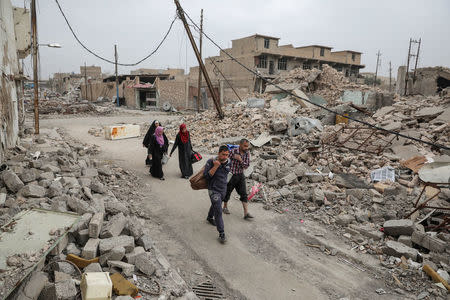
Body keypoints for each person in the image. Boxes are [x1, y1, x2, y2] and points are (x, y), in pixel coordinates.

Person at [204, 145, 230, 243]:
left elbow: (228, 173)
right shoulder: (210, 162)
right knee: (218, 211)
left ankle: (210, 217)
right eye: (223, 154)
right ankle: (221, 233)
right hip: (213, 190)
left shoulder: (229, 162)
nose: (225, 157)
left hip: (223, 189)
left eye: (227, 155)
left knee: (216, 204)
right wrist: (215, 167)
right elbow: (206, 177)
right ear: (219, 153)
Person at [223, 139, 253, 219]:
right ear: (240, 145)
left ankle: (246, 213)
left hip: (240, 175)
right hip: (231, 175)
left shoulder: (247, 153)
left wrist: (240, 160)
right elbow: (226, 160)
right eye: (245, 146)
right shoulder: (233, 151)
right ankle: (225, 207)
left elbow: (246, 166)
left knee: (243, 194)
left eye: (247, 146)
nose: (246, 148)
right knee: (227, 192)